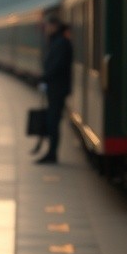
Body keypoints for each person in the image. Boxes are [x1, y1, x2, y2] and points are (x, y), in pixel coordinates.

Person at [34, 15, 72, 164]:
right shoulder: (57, 42)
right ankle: (51, 152)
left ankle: (52, 154)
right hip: (55, 87)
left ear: (54, 26)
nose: (46, 29)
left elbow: (57, 66)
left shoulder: (61, 43)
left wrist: (44, 78)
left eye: (48, 26)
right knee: (52, 121)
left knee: (53, 121)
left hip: (58, 88)